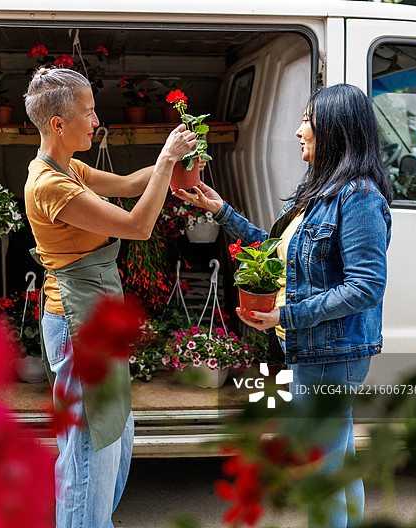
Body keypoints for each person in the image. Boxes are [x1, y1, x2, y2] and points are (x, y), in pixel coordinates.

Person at [175, 83, 393, 528]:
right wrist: (222, 212)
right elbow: (276, 252)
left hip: (332, 355)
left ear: (336, 130)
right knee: (337, 461)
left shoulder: (360, 198)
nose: (298, 131)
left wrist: (286, 316)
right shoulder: (321, 193)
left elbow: (366, 287)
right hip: (317, 351)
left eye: (308, 120)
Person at [23, 67, 197, 528]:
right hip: (78, 325)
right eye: (88, 112)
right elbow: (138, 226)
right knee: (89, 453)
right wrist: (165, 162)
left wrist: (171, 168)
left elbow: (129, 185)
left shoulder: (70, 168)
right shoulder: (50, 185)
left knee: (113, 443)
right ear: (57, 124)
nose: (96, 120)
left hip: (96, 318)